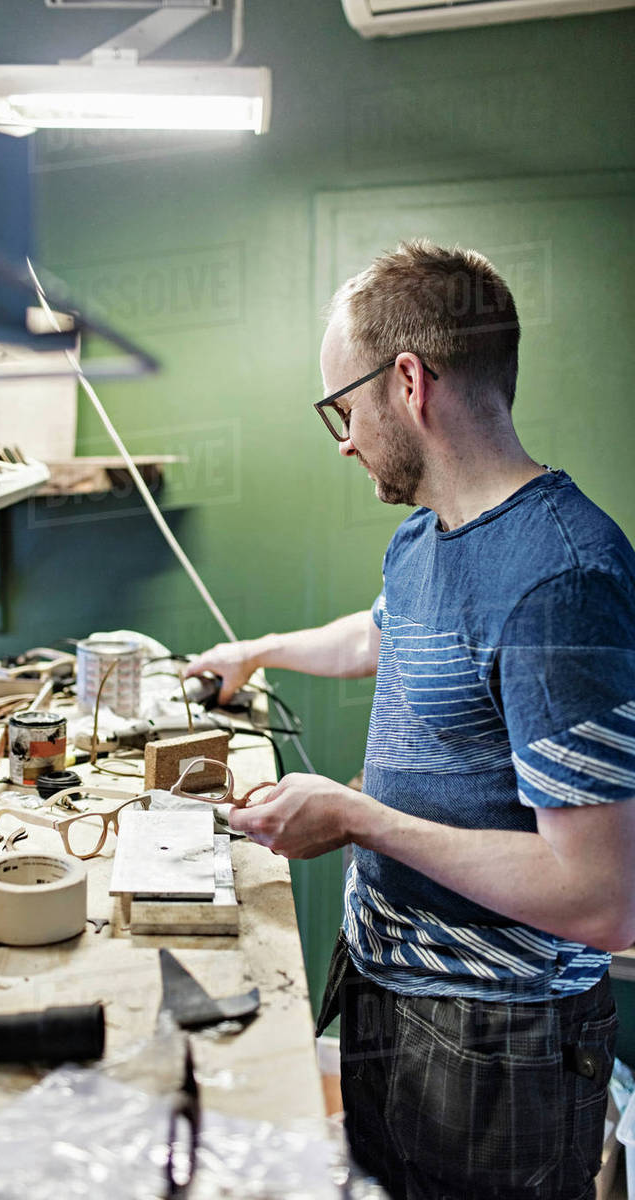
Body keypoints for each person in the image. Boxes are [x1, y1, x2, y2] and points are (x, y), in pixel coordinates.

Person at [184, 240, 635, 1199]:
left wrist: (354, 818)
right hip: (392, 988)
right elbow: (380, 638)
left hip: (498, 1045)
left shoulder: (562, 578)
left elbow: (601, 896)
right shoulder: (429, 534)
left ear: (408, 382)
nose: (343, 438)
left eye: (341, 408)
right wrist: (254, 650)